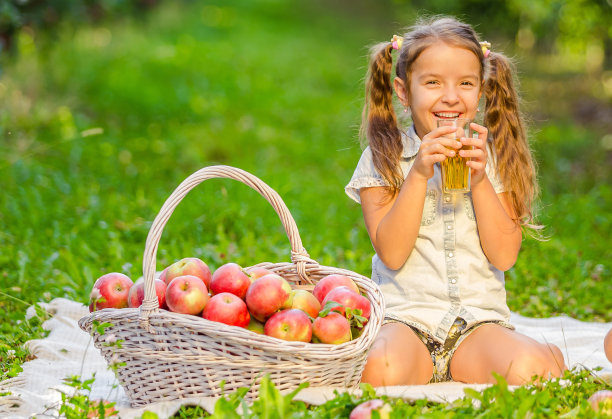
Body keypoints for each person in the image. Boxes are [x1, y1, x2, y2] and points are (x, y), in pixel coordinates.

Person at [345, 16, 566, 386]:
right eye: (432, 83)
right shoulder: (383, 157)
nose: (450, 96)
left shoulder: (491, 158)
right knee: (378, 370)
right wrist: (417, 174)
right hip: (406, 320)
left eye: (465, 83)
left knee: (529, 369)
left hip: (476, 326)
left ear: (480, 91)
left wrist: (479, 181)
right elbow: (393, 253)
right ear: (403, 91)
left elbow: (504, 255)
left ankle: (541, 354)